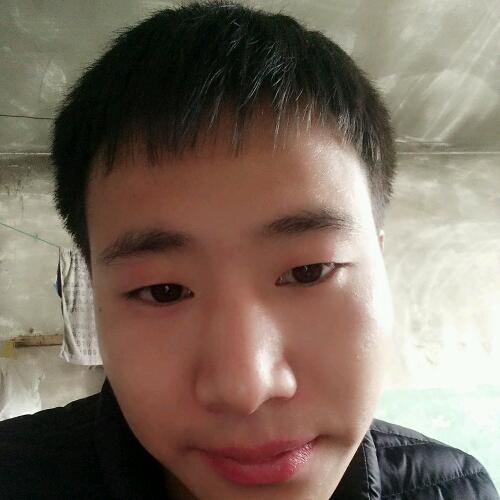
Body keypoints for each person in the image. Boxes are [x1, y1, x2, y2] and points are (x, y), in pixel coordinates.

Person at [0, 1, 498, 499]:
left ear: (380, 268)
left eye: (309, 271)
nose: (246, 389)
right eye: (164, 290)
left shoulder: (459, 488)